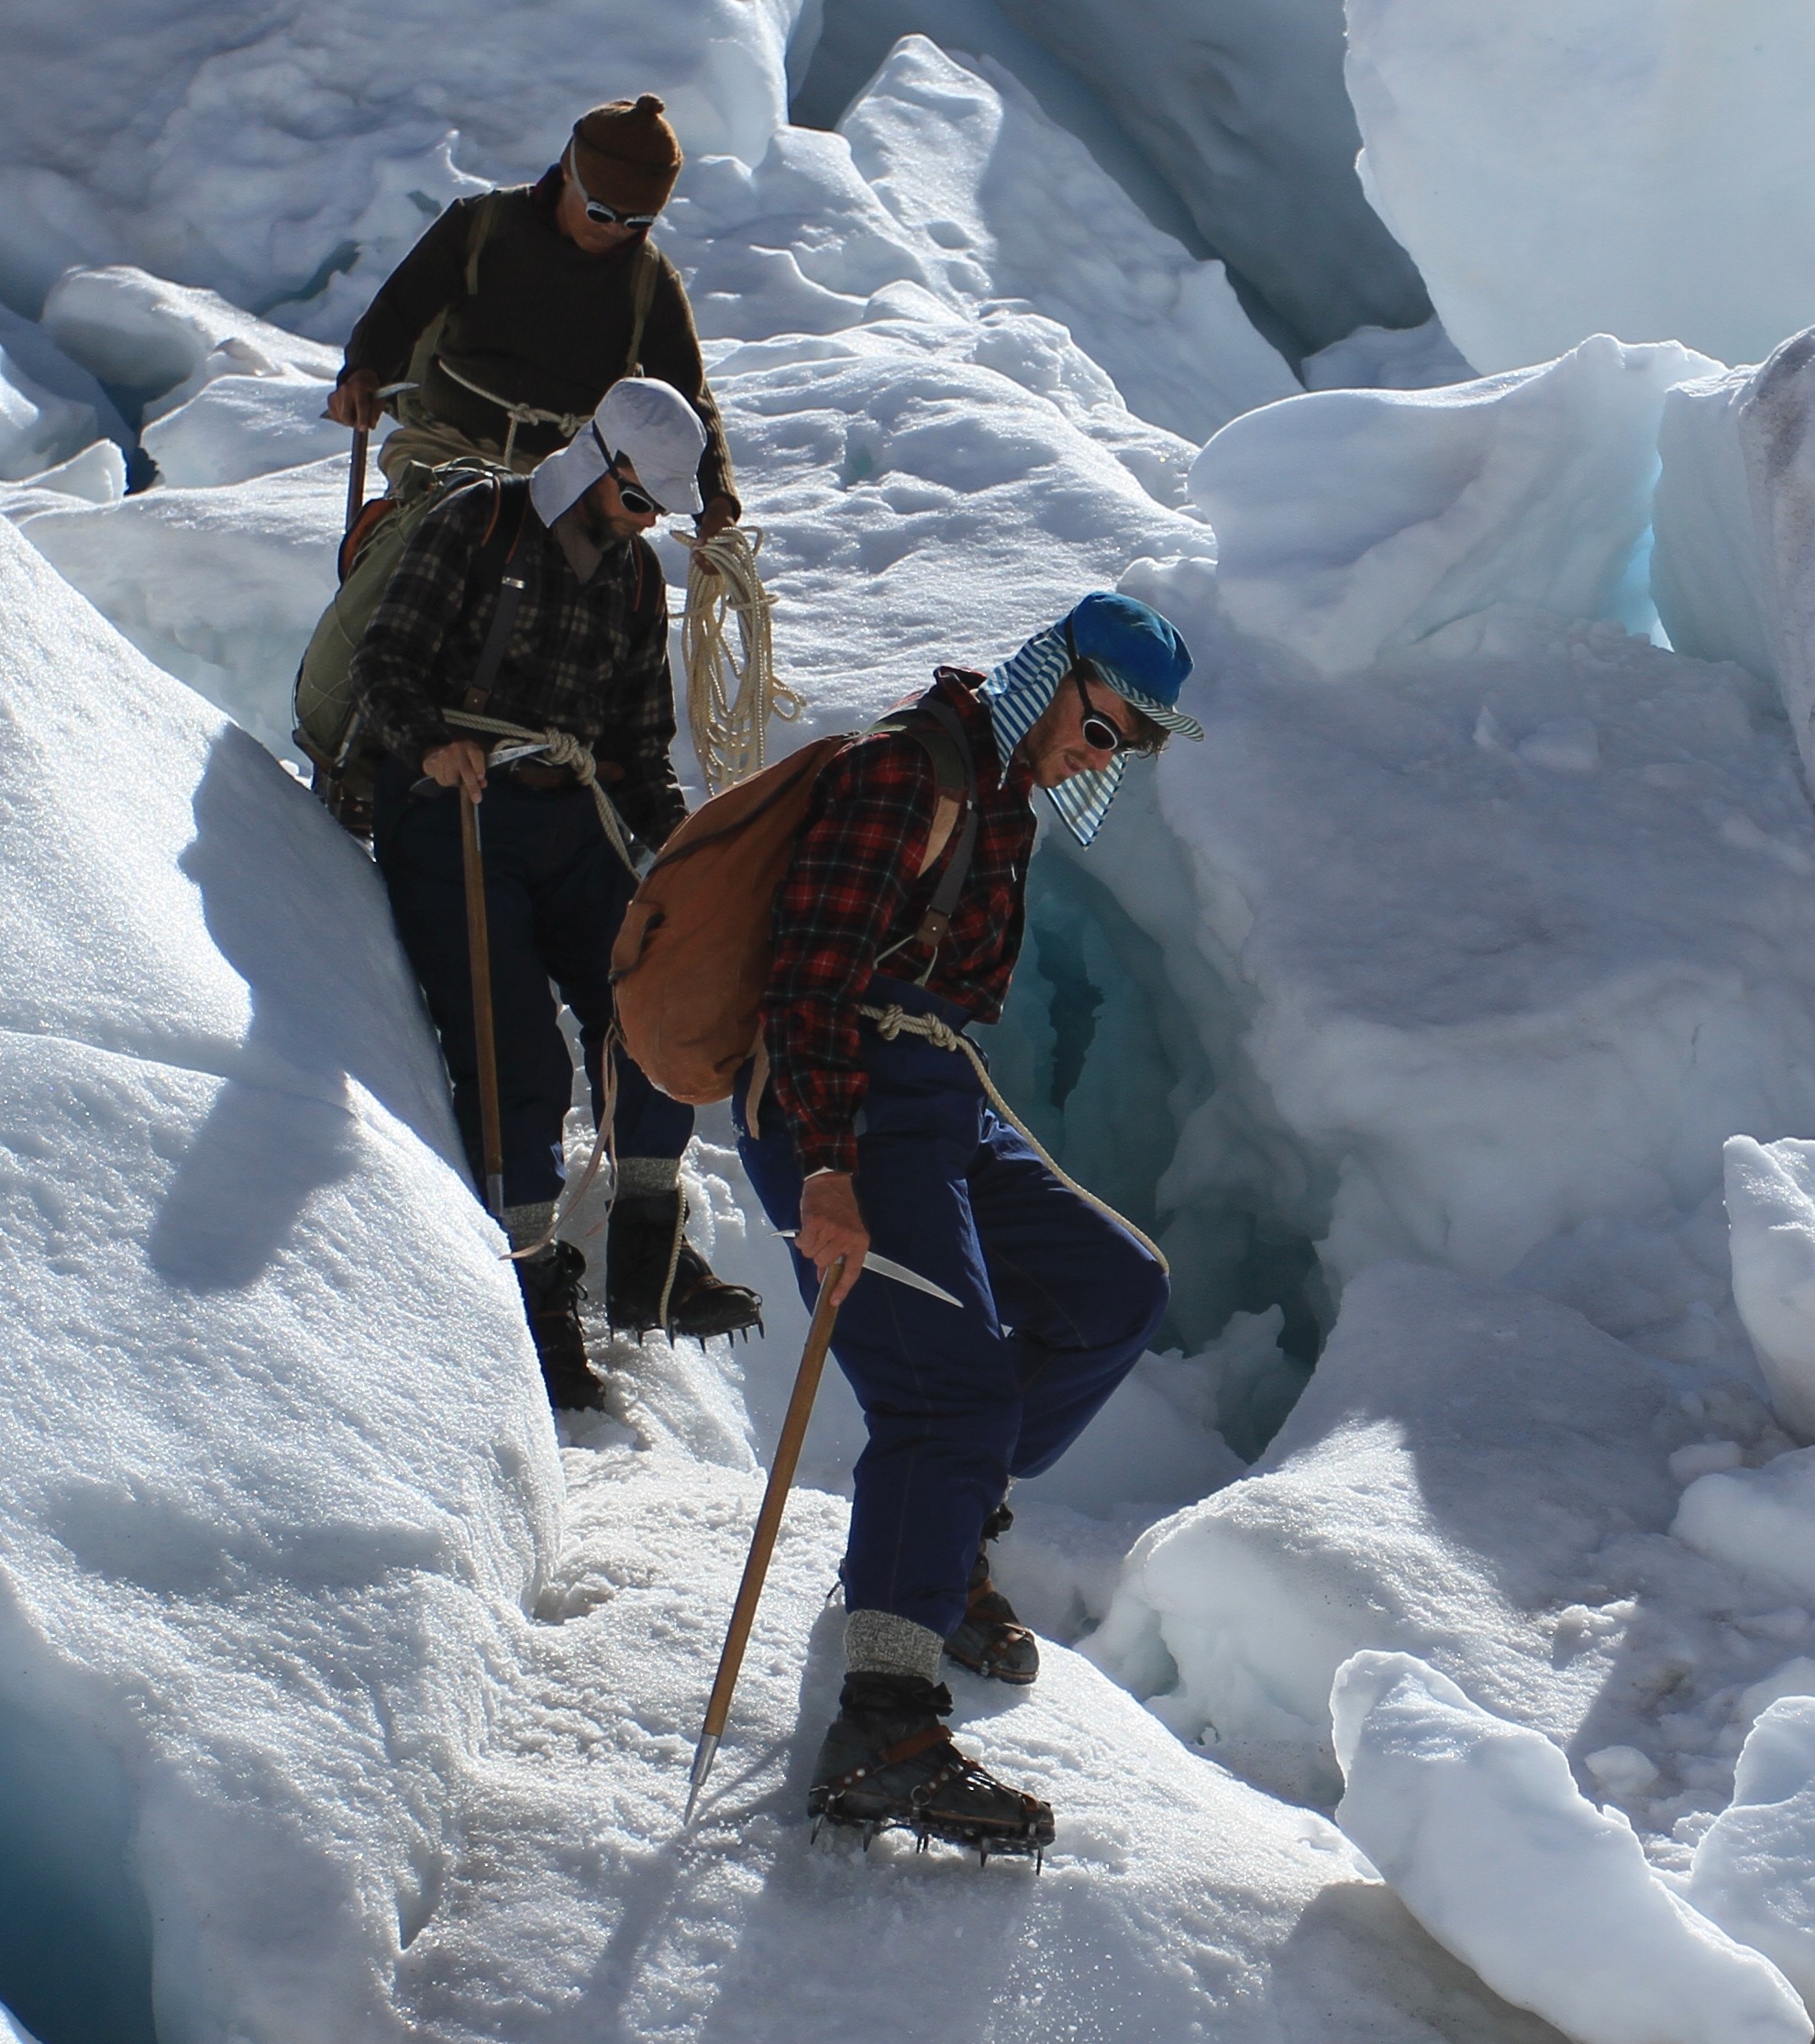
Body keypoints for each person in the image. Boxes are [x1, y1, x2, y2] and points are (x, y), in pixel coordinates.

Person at [736, 590, 1201, 1850]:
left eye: (1133, 749)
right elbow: (809, 980)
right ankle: (882, 1728)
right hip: (848, 1107)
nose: (1106, 761)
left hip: (935, 1098)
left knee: (1112, 1290)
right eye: (1108, 730)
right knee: (951, 1399)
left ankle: (942, 1539)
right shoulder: (908, 772)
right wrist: (827, 1171)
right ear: (1055, 678)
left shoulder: (996, 798)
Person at [354, 375, 765, 1403]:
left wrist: (687, 849)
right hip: (453, 807)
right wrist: (432, 745)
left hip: (565, 815)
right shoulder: (476, 528)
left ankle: (644, 1252)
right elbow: (386, 662)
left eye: (658, 512)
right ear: (597, 463)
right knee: (514, 1056)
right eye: (639, 502)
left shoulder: (633, 583)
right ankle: (532, 1294)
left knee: (646, 1013)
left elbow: (634, 744)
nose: (647, 524)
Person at [295, 94, 744, 806]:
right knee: (432, 542)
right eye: (602, 213)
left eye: (636, 223)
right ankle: (355, 746)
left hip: (568, 467)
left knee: (577, 596)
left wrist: (714, 493)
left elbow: (686, 396)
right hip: (445, 443)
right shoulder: (480, 228)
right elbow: (398, 311)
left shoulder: (646, 282)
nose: (614, 233)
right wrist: (362, 374)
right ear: (567, 174)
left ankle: (549, 786)